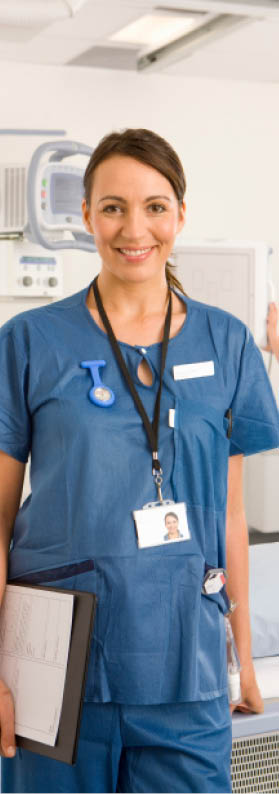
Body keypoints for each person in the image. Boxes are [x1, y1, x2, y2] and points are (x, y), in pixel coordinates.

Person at [0, 128, 279, 794]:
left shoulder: (228, 342)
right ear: (86, 216)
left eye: (154, 206)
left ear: (179, 215)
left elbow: (230, 513)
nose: (135, 227)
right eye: (113, 207)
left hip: (185, 665)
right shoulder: (30, 342)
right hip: (57, 670)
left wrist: (243, 661)